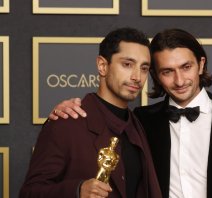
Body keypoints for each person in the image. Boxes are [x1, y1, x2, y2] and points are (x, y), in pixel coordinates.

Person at [49, 29, 212, 198]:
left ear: (201, 64)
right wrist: (72, 108)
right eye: (167, 71)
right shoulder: (140, 121)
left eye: (186, 67)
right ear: (155, 75)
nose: (179, 81)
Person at [20, 27, 162, 198]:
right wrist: (77, 191)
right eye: (127, 64)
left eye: (144, 68)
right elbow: (29, 193)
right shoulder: (66, 122)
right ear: (102, 66)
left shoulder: (140, 125)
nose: (137, 77)